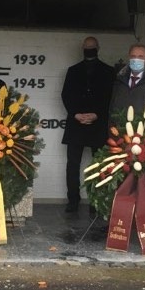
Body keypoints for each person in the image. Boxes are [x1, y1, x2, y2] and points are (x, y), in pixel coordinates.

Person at [61, 37, 114, 214]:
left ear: (98, 48)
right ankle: (73, 200)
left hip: (97, 124)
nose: (89, 49)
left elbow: (110, 97)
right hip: (76, 123)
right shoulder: (73, 70)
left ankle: (96, 200)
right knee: (73, 164)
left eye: (92, 47)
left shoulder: (108, 71)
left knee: (99, 164)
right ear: (82, 48)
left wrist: (96, 114)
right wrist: (76, 114)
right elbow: (66, 95)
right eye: (87, 47)